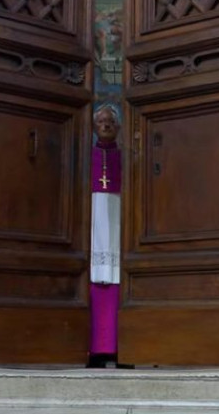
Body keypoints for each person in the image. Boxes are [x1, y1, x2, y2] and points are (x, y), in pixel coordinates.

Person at [88, 104, 121, 367]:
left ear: (119, 127)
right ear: (93, 126)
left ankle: (118, 348)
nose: (106, 125)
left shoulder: (125, 157)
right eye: (101, 121)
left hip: (120, 222)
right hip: (91, 223)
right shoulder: (86, 158)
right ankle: (94, 349)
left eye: (111, 121)